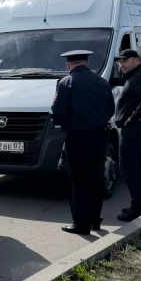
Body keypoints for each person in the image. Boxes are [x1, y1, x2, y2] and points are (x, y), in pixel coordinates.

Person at [50, 49, 115, 235]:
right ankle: (95, 219)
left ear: (68, 65)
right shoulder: (102, 82)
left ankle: (81, 223)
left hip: (78, 137)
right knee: (96, 176)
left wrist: (63, 123)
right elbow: (110, 109)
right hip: (100, 135)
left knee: (79, 180)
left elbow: (58, 112)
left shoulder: (66, 82)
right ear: (87, 63)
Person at [114, 48, 141, 222]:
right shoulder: (133, 76)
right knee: (136, 168)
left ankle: (138, 207)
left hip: (135, 128)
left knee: (128, 168)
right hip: (136, 127)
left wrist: (133, 116)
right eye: (120, 62)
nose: (121, 65)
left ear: (137, 60)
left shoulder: (140, 76)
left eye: (125, 61)